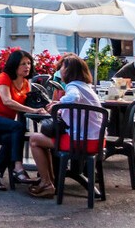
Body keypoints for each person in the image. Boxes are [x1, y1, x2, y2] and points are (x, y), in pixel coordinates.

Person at [26, 56, 102, 199]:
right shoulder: (86, 87)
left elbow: (73, 97)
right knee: (43, 140)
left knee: (34, 139)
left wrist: (57, 104)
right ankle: (50, 180)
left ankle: (47, 183)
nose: (59, 70)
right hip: (95, 139)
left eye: (62, 67)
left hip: (82, 141)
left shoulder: (73, 86)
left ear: (69, 70)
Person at [0, 48, 49, 190]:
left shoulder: (26, 83)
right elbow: (7, 101)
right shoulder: (3, 78)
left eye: (29, 63)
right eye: (23, 63)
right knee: (18, 127)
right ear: (14, 65)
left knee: (11, 137)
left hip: (5, 124)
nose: (27, 66)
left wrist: (44, 108)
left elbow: (27, 104)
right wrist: (33, 110)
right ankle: (18, 167)